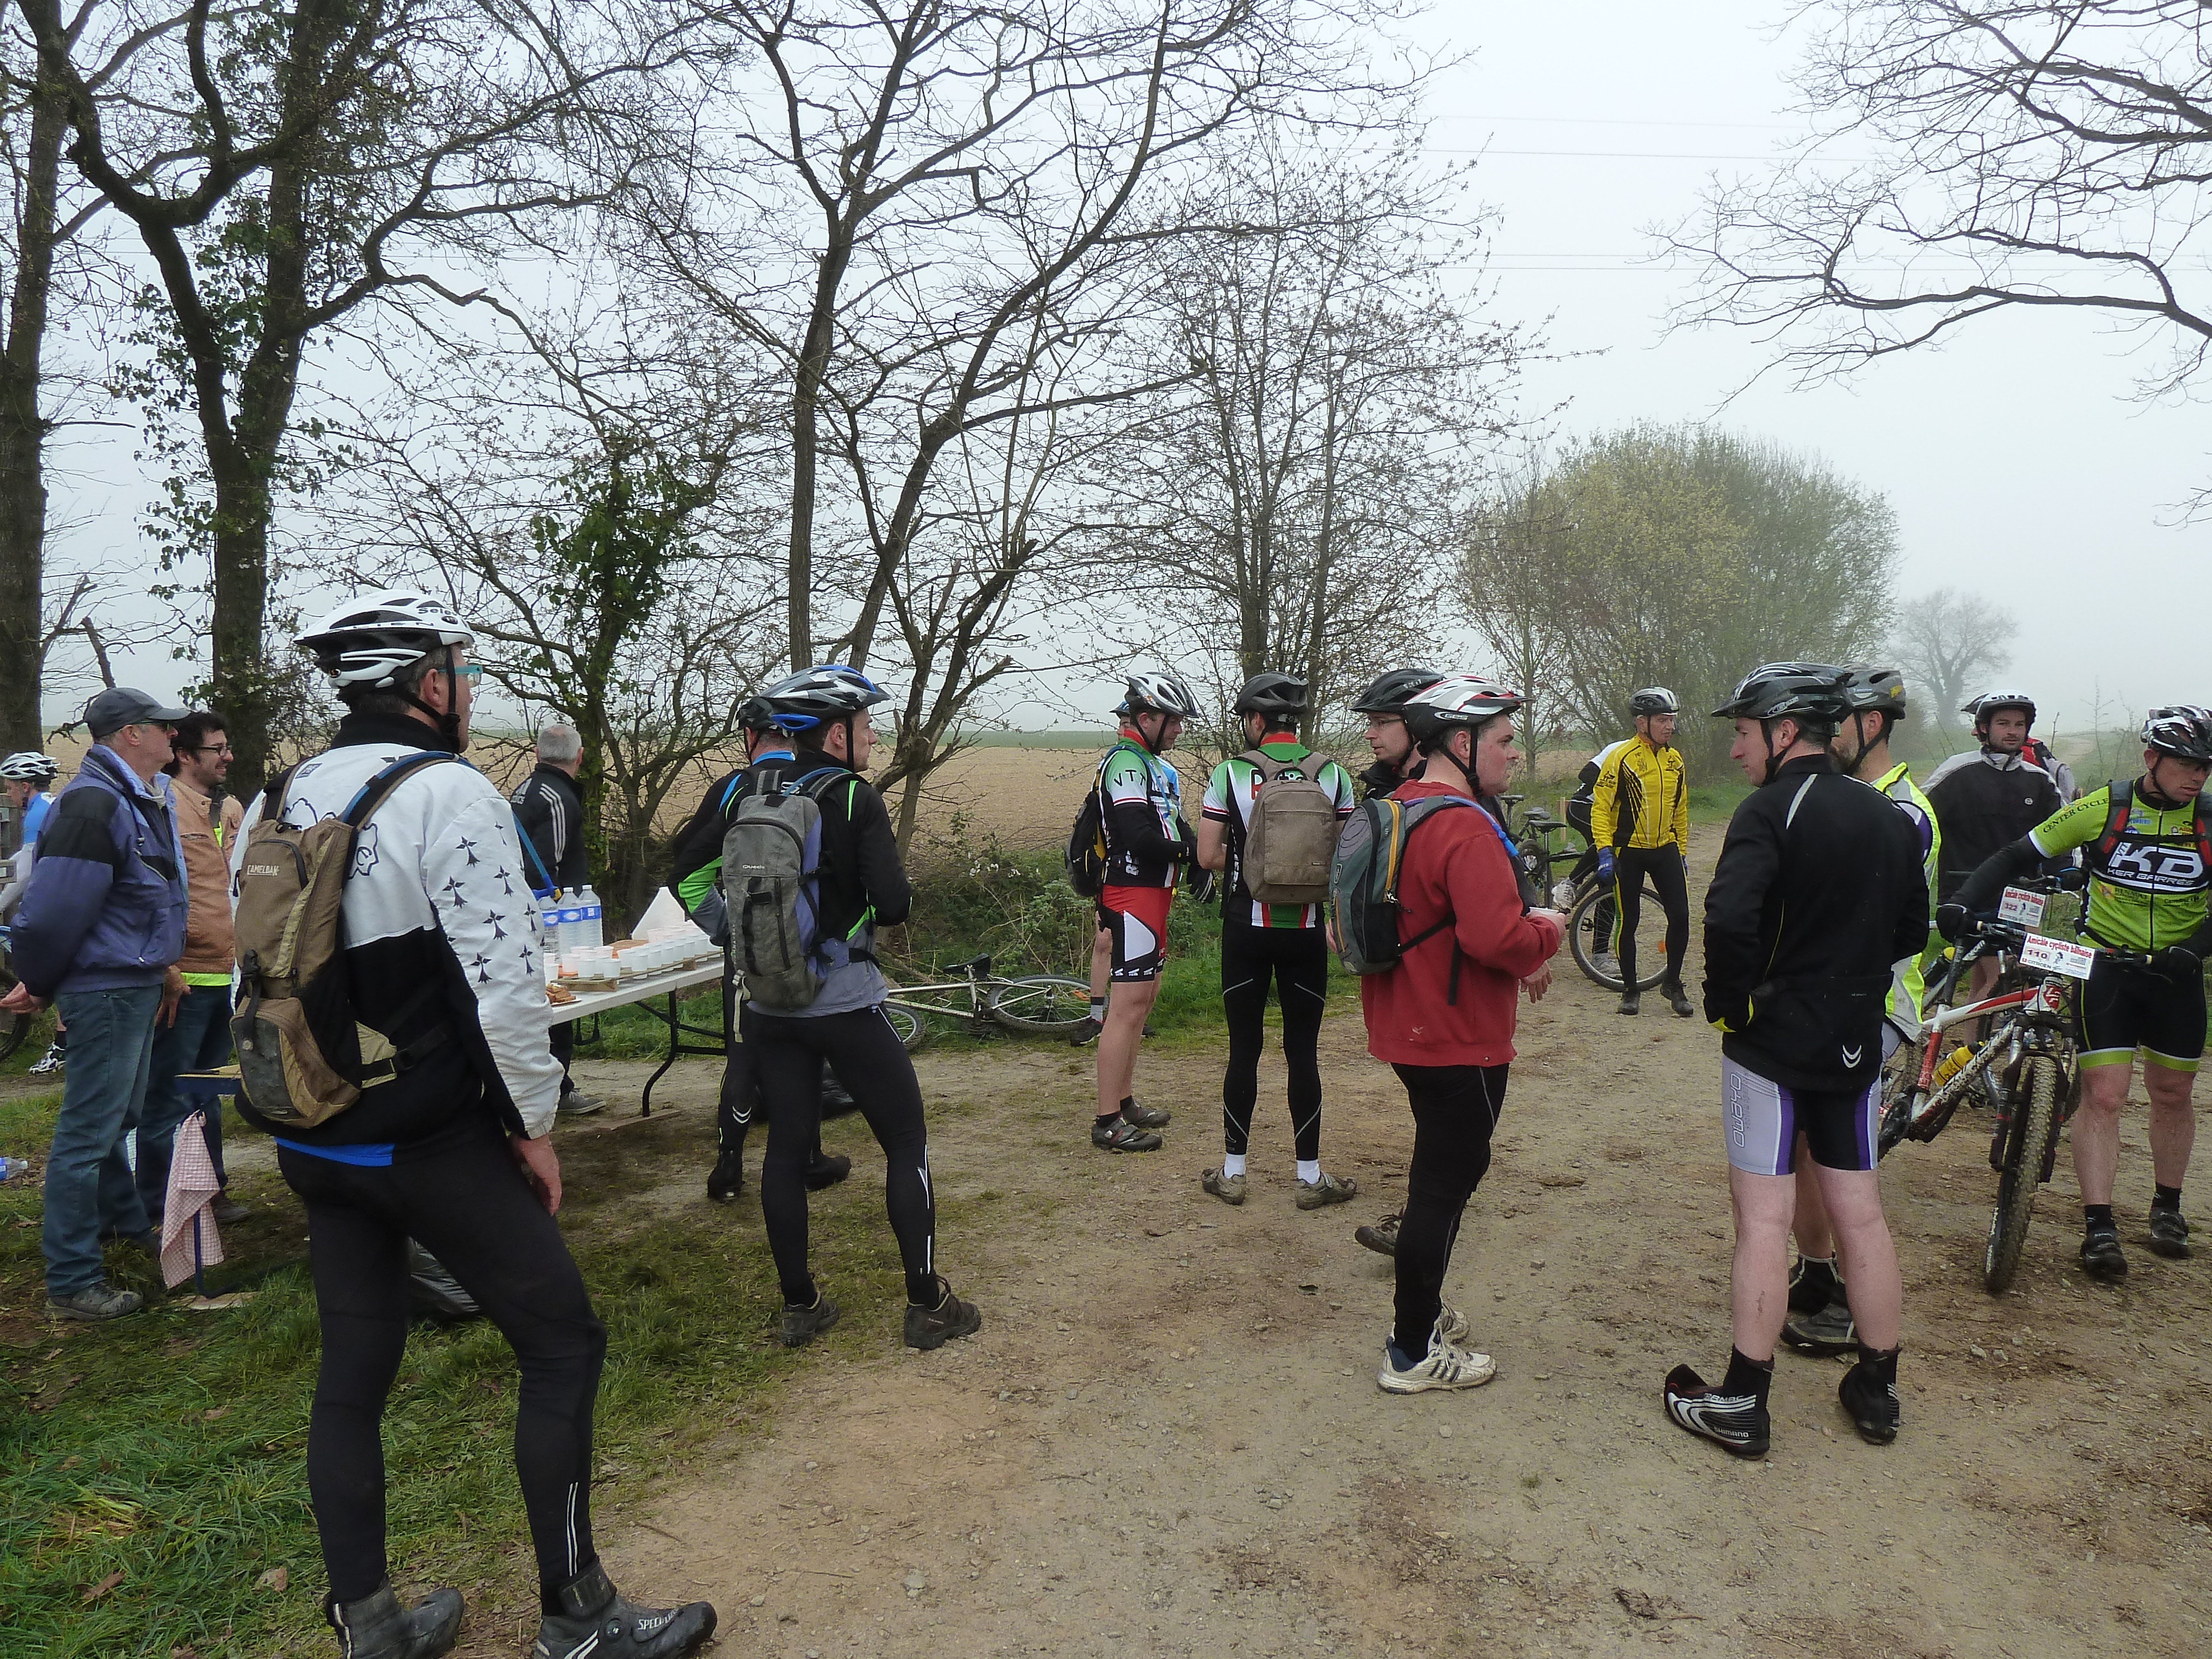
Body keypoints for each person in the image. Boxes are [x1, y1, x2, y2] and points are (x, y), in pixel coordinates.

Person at [260, 591, 716, 1658]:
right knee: (563, 1344)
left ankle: (371, 1626)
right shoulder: (450, 791)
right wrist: (532, 1126)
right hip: (423, 1137)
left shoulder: (279, 793)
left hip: (313, 1131)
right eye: (461, 673)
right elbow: (503, 988)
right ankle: (579, 1618)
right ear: (430, 685)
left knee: (352, 1376)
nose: (468, 691)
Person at [1665, 664, 1927, 1458]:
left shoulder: (1767, 810)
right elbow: (1910, 932)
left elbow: (1728, 917)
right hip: (1854, 1042)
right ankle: (1877, 1388)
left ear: (1785, 732)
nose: (1736, 750)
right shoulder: (1888, 813)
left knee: (1764, 1219)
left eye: (1744, 733)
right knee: (1862, 1216)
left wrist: (1731, 1005)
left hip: (1772, 1044)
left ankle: (1744, 1401)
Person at [733, 665, 981, 1353]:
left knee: (785, 1154)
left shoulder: (751, 790)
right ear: (835, 734)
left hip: (769, 1005)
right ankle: (928, 1305)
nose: (873, 736)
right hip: (843, 1003)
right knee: (905, 1142)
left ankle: (800, 1306)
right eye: (866, 724)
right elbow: (894, 904)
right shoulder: (853, 797)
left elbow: (709, 883)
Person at [1949, 705, 2212, 1281]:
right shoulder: (2105, 807)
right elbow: (2016, 854)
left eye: (2205, 767)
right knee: (2105, 1096)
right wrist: (1961, 903)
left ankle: (2167, 1207)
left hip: (2177, 975)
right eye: (2186, 764)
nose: (2197, 777)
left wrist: (2194, 949)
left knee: (2172, 1093)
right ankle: (2099, 1225)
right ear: (2152, 758)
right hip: (2107, 969)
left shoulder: (2208, 819)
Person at [1360, 675, 1566, 1393]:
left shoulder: (1401, 807)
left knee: (1440, 1175)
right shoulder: (1465, 825)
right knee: (1444, 1182)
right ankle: (1411, 1351)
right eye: (1503, 740)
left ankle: (1423, 1311)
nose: (1513, 753)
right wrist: (1548, 929)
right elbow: (1495, 940)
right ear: (1460, 742)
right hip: (1455, 1029)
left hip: (1408, 1020)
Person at [1, 690, 190, 1322]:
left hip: (129, 982)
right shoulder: (94, 803)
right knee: (86, 1135)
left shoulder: (134, 797)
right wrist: (40, 981)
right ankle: (73, 1279)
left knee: (117, 1118)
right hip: (105, 989)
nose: (173, 737)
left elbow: (139, 895)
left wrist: (162, 967)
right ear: (131, 733)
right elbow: (52, 912)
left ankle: (121, 1224)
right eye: (164, 727)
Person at [1784, 666, 1938, 1355]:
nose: (1825, 736)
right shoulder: (1848, 795)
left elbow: (1864, 918)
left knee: (1840, 1156)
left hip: (1873, 1005)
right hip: (1831, 999)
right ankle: (1818, 1272)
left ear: (1871, 725)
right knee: (1800, 1144)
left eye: (1836, 723)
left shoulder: (1902, 810)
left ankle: (1853, 1299)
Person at [666, 697, 853, 1204]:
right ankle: (810, 1159)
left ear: (750, 737)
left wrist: (729, 929)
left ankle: (728, 1169)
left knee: (745, 1054)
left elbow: (685, 875)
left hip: (749, 950)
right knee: (807, 1051)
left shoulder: (734, 789)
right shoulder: (823, 784)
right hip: (811, 949)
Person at [1194, 671, 1358, 1209]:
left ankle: (1233, 1172)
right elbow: (1345, 858)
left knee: (1244, 1049)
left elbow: (1207, 856)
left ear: (1256, 720)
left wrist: (1254, 863)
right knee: (1302, 1053)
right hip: (1306, 931)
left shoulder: (1230, 773)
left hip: (1246, 928)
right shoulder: (1333, 774)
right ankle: (1309, 1177)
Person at [135, 712, 250, 1228]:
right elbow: (153, 894)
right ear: (185, 755)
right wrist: (166, 967)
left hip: (225, 975)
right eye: (217, 749)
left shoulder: (228, 809)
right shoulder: (162, 807)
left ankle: (208, 1192)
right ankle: (161, 1206)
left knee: (207, 1094)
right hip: (181, 981)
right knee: (169, 1096)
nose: (228, 756)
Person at [1089, 670, 1199, 1153]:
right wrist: (1192, 854)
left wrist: (1200, 859)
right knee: (1126, 1008)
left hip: (1154, 895)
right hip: (1131, 893)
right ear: (1146, 718)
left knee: (1143, 1002)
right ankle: (1107, 1120)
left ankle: (1125, 1101)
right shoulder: (1126, 763)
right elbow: (1137, 835)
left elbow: (1175, 823)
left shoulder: (1155, 766)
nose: (1179, 730)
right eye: (1173, 721)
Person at [512, 721, 607, 1118]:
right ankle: (556, 1092)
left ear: (537, 754)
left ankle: (550, 1088)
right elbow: (546, 870)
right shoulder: (557, 798)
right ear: (580, 756)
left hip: (520, 914)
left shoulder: (524, 789)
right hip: (552, 919)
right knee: (557, 999)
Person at [1590, 688, 1693, 1018]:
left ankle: (1672, 983)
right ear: (1641, 722)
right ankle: (1631, 989)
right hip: (1628, 850)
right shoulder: (1621, 758)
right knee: (1629, 920)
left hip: (1665, 848)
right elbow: (1601, 808)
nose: (1670, 727)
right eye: (1663, 720)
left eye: (1672, 720)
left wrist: (1682, 851)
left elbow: (1680, 808)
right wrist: (1605, 851)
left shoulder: (1675, 760)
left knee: (1681, 917)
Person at [2, 750, 69, 1076]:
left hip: (58, 904)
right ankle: (64, 1044)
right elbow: (22, 859)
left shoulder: (37, 812)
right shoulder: (48, 804)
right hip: (65, 897)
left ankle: (63, 1047)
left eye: (10, 788)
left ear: (25, 786)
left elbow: (26, 871)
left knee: (63, 974)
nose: (9, 794)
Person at [1349, 666, 1444, 801]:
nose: (1369, 735)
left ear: (1417, 724)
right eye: (1371, 723)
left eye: (1381, 722)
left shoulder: (1446, 795)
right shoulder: (1378, 784)